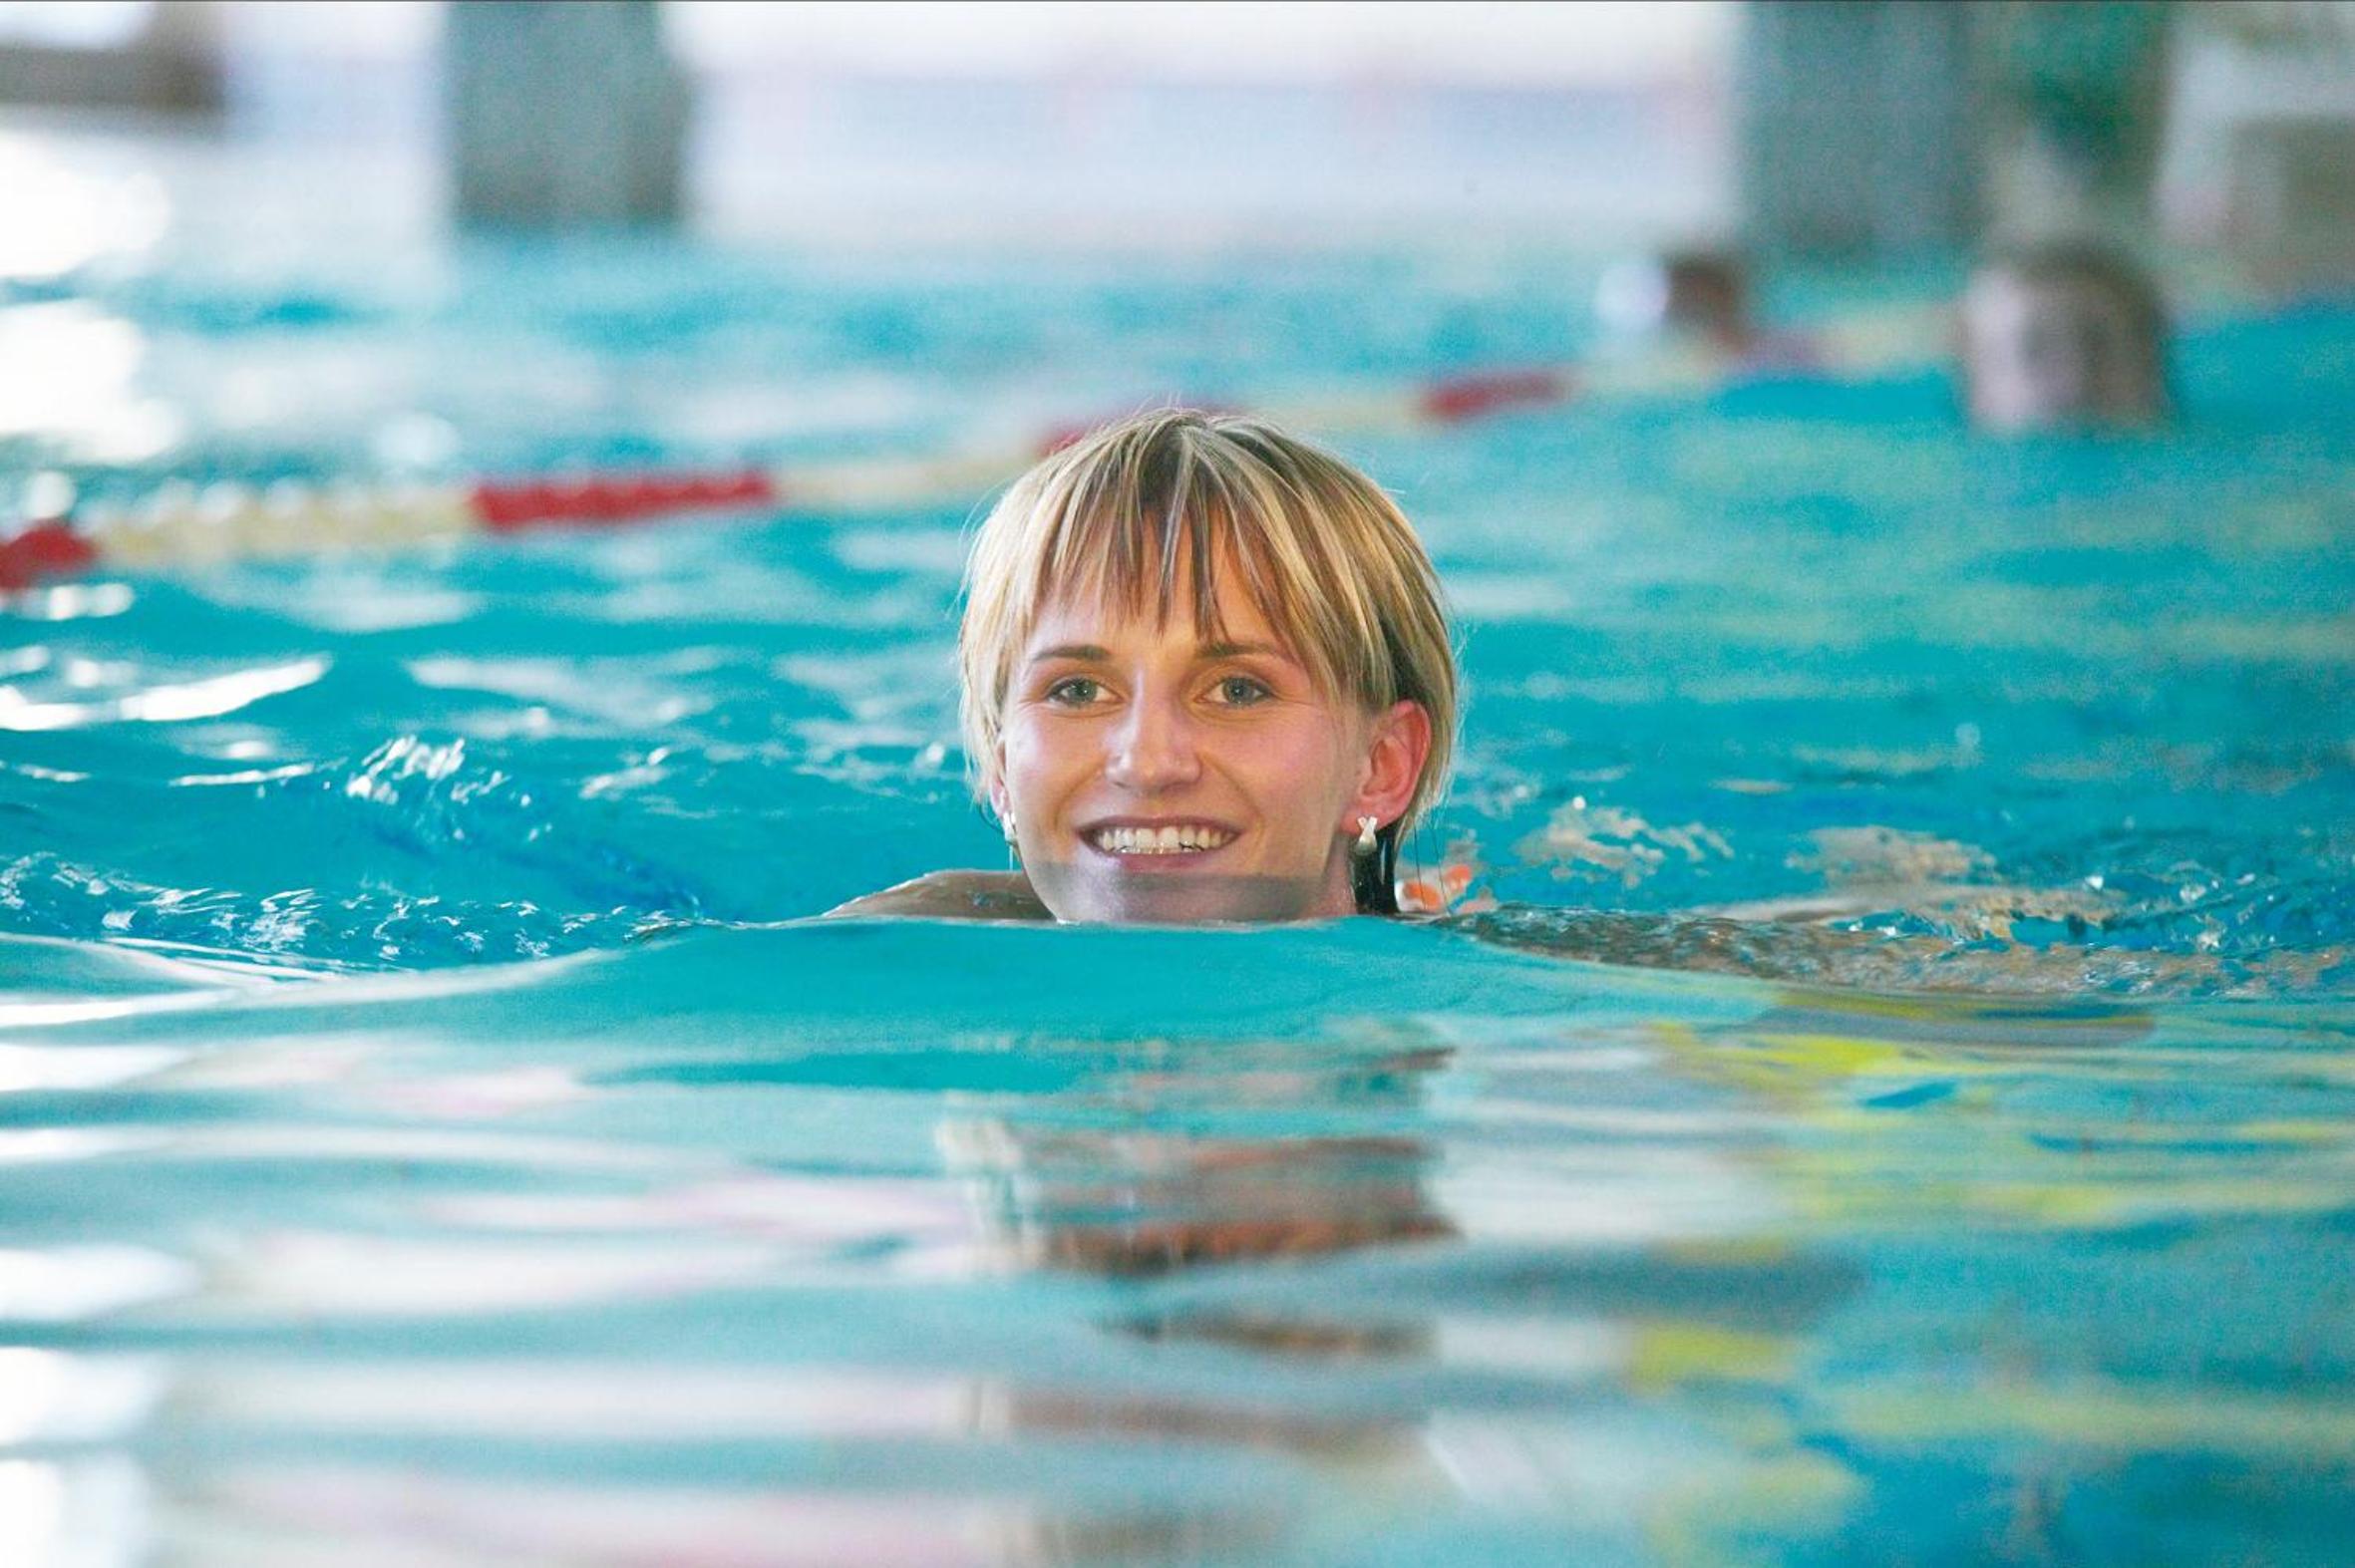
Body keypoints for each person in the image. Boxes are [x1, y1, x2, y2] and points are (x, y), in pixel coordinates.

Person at [828, 409, 1457, 923]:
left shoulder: (1500, 1001)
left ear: (1381, 766)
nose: (1146, 764)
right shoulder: (880, 969)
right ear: (1001, 764)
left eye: (1237, 690)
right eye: (1077, 690)